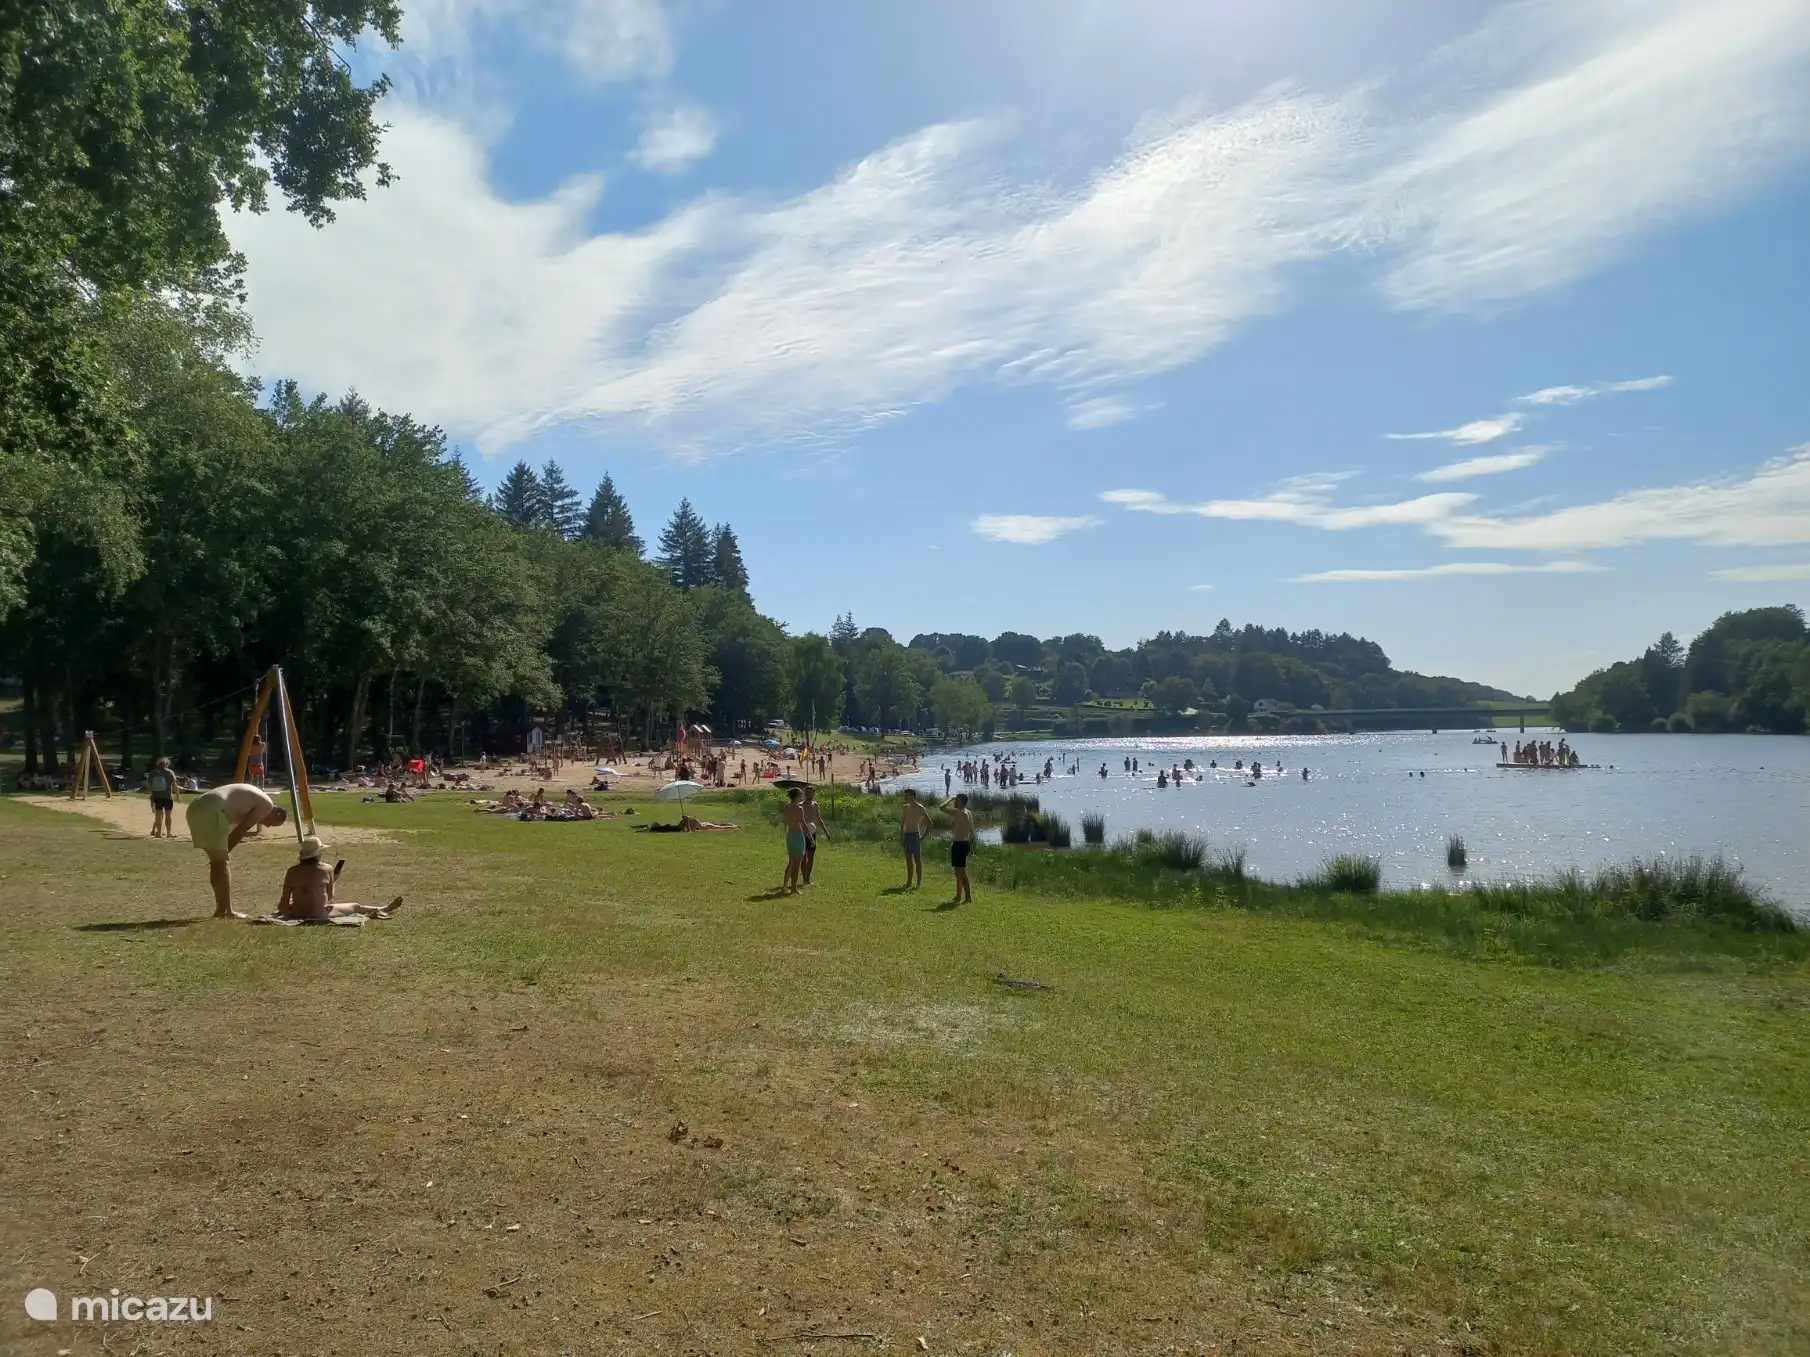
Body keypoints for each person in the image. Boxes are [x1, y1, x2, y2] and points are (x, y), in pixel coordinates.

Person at [184, 782, 288, 918]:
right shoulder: (266, 805)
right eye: (273, 823)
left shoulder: (250, 801)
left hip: (195, 809)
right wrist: (225, 852)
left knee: (217, 863)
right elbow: (240, 831)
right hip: (212, 810)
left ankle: (222, 909)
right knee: (220, 863)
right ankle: (226, 911)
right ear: (277, 812)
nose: (268, 826)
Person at [277, 836, 403, 921]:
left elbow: (283, 903)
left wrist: (290, 908)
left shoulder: (292, 871)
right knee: (355, 907)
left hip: (297, 913)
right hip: (319, 914)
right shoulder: (326, 869)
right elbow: (330, 896)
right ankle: (383, 909)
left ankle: (382, 909)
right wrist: (334, 880)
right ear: (318, 854)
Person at [898, 788, 933, 889]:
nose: (905, 798)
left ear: (913, 796)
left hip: (915, 835)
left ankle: (918, 883)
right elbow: (903, 823)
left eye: (907, 796)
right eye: (904, 796)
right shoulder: (905, 807)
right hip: (907, 835)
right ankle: (908, 882)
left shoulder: (920, 808)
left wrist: (923, 837)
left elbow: (930, 823)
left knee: (917, 859)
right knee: (908, 859)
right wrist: (901, 836)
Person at [943, 792, 974, 905]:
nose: (955, 802)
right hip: (963, 843)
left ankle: (968, 897)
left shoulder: (958, 812)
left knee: (961, 871)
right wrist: (968, 842)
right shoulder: (968, 812)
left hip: (960, 844)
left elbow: (941, 807)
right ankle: (958, 895)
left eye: (956, 800)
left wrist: (949, 799)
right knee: (957, 872)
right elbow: (971, 830)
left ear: (960, 801)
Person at [800, 786, 830, 885]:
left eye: (811, 793)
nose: (809, 794)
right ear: (804, 794)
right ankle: (804, 878)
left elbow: (819, 819)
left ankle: (807, 879)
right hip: (803, 833)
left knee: (811, 857)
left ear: (814, 793)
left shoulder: (815, 805)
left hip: (812, 833)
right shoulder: (800, 805)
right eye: (807, 792)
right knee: (803, 857)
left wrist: (826, 832)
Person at [781, 787, 809, 893]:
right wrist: (810, 837)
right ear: (796, 796)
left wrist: (786, 833)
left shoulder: (787, 806)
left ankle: (785, 885)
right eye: (801, 795)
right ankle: (793, 888)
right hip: (798, 835)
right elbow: (803, 824)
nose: (802, 796)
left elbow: (785, 821)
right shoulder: (799, 809)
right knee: (797, 864)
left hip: (790, 835)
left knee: (791, 862)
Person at [146, 756, 179, 838]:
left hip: (157, 797)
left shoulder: (153, 773)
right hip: (167, 797)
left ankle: (159, 833)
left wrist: (151, 795)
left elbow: (149, 786)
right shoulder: (169, 773)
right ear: (167, 764)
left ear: (158, 764)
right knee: (168, 816)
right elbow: (174, 785)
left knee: (158, 816)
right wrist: (178, 795)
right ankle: (168, 833)